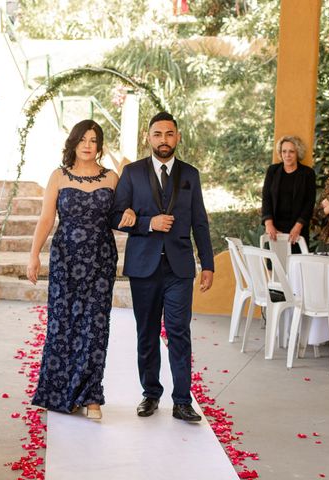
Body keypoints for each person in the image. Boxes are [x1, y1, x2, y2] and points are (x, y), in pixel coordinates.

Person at [26, 120, 136, 420]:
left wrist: (127, 212)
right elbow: (46, 219)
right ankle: (60, 391)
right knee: (62, 323)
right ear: (73, 142)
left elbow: (120, 214)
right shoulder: (58, 177)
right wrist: (34, 255)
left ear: (100, 145)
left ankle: (91, 397)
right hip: (66, 259)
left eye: (94, 139)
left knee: (96, 326)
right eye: (83, 139)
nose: (88, 144)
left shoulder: (112, 177)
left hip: (100, 259)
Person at [111, 112, 214, 423]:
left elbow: (200, 221)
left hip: (179, 268)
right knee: (147, 332)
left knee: (179, 332)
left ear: (177, 137)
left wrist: (207, 263)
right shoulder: (131, 173)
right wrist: (147, 223)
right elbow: (116, 216)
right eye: (158, 134)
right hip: (144, 266)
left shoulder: (190, 175)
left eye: (169, 134)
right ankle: (150, 394)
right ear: (148, 137)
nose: (164, 140)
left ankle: (183, 401)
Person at [261, 136, 316, 250]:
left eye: (291, 151)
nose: (287, 155)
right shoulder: (273, 171)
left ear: (298, 153)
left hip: (297, 229)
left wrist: (298, 227)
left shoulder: (308, 173)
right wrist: (268, 224)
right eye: (284, 151)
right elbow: (266, 198)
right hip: (275, 229)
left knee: (296, 266)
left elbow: (309, 202)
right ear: (280, 153)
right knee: (275, 265)